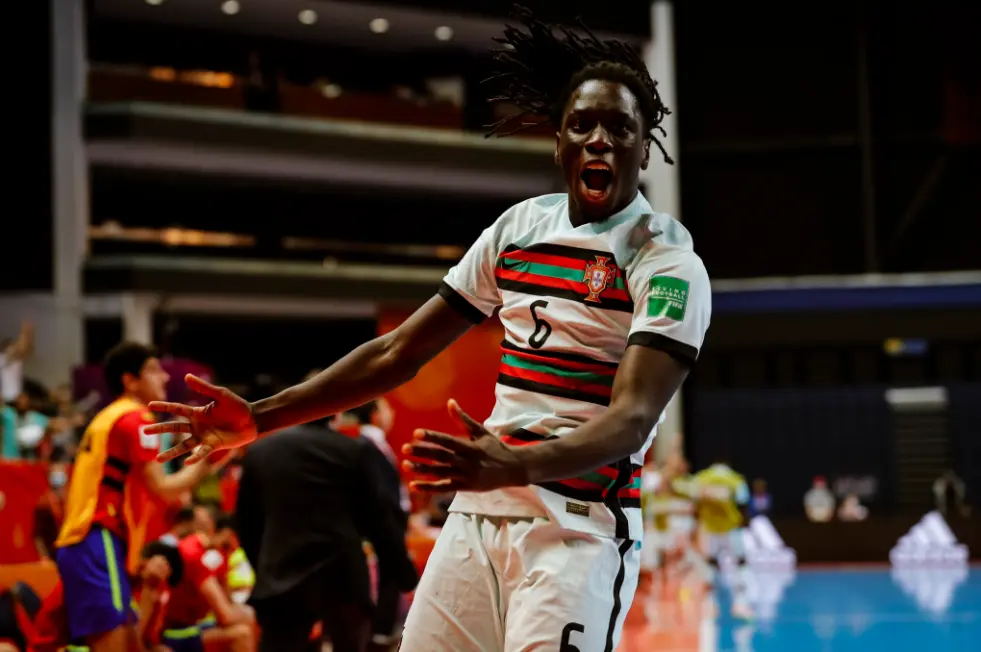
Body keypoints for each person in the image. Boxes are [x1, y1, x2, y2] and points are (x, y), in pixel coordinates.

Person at [147, 6, 711, 650]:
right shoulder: (518, 229)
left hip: (578, 530)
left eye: (621, 128)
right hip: (478, 517)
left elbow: (631, 420)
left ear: (646, 146)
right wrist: (259, 417)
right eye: (581, 126)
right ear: (559, 141)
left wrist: (517, 464)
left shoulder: (667, 262)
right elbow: (395, 352)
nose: (599, 140)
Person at [53, 342, 222, 651]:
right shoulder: (136, 419)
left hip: (88, 541)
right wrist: (209, 455)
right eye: (153, 370)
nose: (164, 378)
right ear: (129, 380)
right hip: (96, 538)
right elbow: (164, 488)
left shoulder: (107, 417)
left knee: (136, 644)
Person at [234, 423, 418, 652]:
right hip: (342, 575)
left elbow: (246, 524)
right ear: (336, 411)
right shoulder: (353, 450)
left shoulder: (261, 451)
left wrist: (264, 569)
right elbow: (379, 522)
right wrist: (407, 577)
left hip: (281, 574)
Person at [692, 459, 753, 620]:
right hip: (731, 529)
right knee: (740, 563)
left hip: (710, 529)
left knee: (710, 564)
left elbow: (694, 502)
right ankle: (740, 603)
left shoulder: (702, 478)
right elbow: (743, 502)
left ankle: (710, 604)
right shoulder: (735, 479)